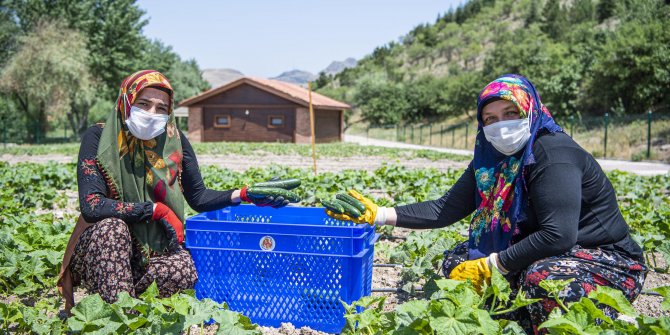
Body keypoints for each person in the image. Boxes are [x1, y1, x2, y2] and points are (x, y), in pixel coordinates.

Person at [327, 74, 646, 334]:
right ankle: (519, 315)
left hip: (602, 258)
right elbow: (445, 209)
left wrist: (493, 265)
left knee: (542, 278)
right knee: (458, 259)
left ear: (531, 111)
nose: (500, 126)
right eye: (490, 119)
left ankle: (600, 318)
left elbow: (558, 235)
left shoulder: (554, 153)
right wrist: (378, 214)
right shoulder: (491, 160)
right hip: (545, 249)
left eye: (511, 114)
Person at [57, 70, 297, 312]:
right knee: (113, 228)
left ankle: (123, 293)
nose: (152, 113)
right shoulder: (99, 137)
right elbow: (92, 205)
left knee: (184, 271)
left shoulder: (175, 140)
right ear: (127, 101)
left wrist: (243, 194)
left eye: (161, 108)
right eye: (143, 104)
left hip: (148, 253)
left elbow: (198, 196)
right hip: (103, 249)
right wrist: (154, 210)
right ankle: (122, 316)